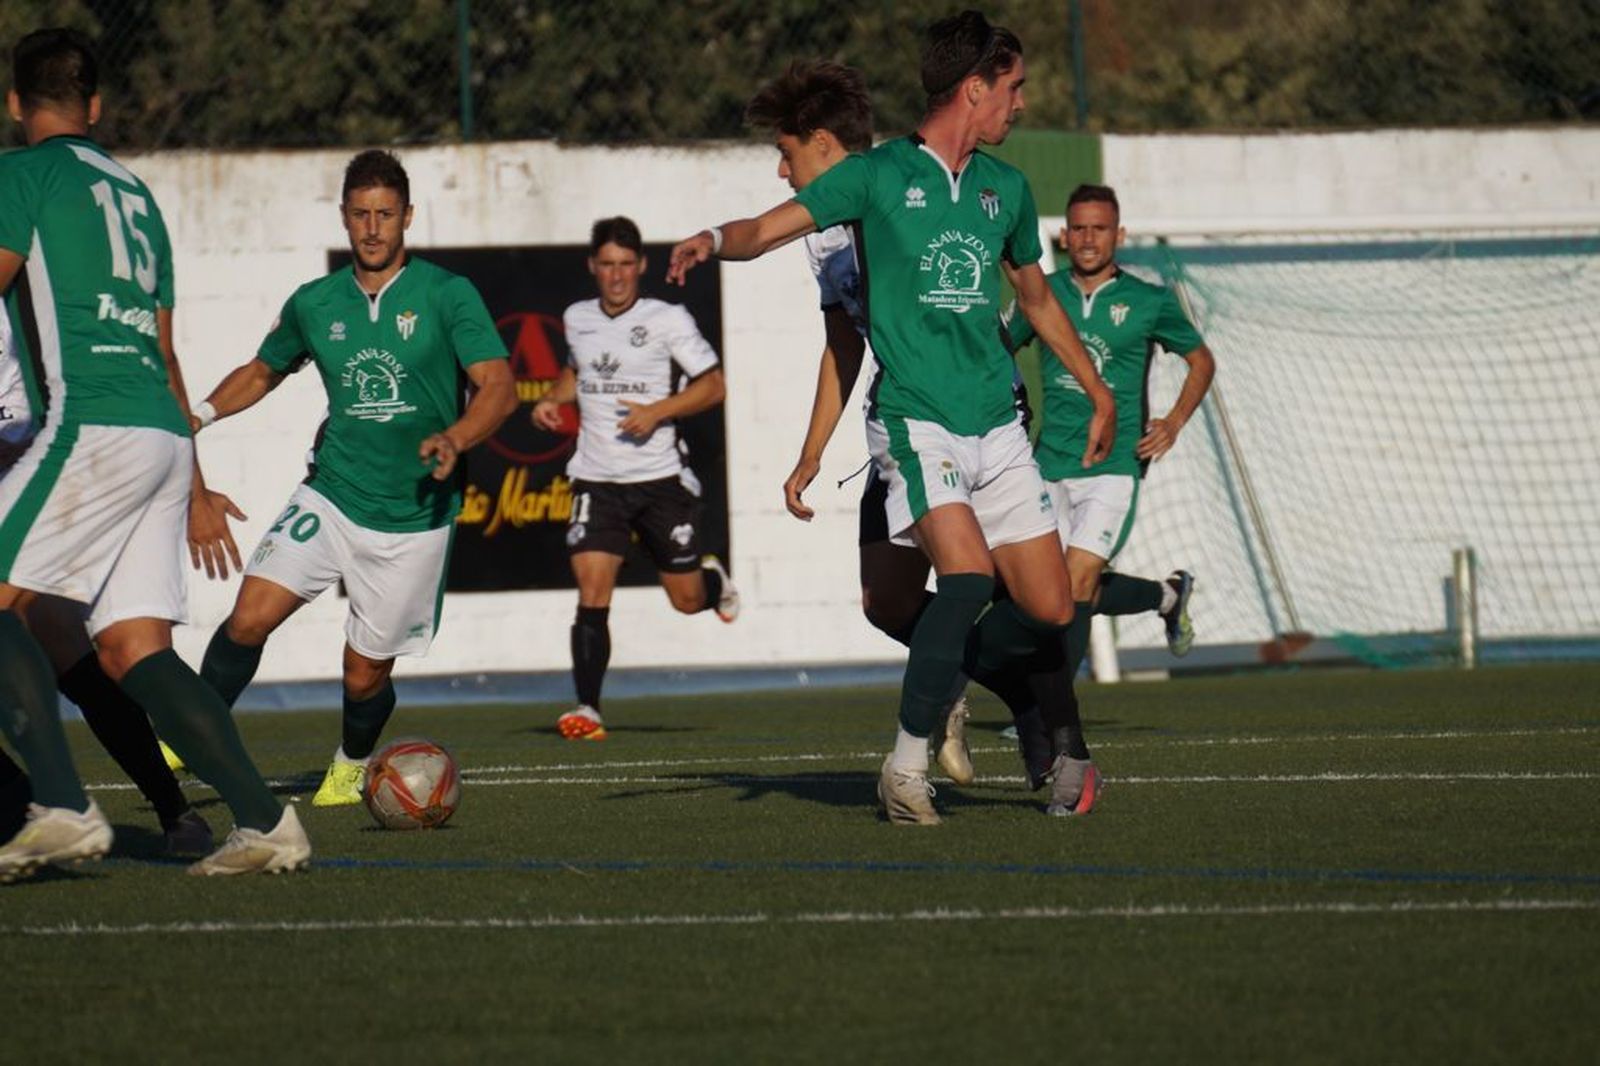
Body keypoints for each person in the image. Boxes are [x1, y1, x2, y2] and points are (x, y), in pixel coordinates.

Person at [670, 11, 1115, 824]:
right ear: (975, 88)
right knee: (942, 585)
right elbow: (768, 237)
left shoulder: (1005, 189)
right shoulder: (874, 180)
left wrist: (1097, 387)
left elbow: (1036, 297)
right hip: (913, 418)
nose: (1021, 104)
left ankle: (1014, 709)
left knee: (1049, 606)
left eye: (786, 150)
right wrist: (709, 239)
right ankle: (911, 765)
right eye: (1013, 88)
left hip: (995, 419)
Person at [0, 28, 305, 880]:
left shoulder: (20, 175)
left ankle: (61, 804)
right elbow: (169, 353)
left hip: (87, 426)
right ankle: (267, 819)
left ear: (16, 103)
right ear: (95, 107)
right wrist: (196, 482)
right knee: (135, 647)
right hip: (164, 435)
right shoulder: (137, 194)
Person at [190, 149, 517, 806]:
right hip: (332, 493)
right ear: (344, 218)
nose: (372, 228)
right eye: (361, 214)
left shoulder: (447, 294)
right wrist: (196, 415)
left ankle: (352, 759)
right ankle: (185, 730)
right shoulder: (316, 303)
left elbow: (500, 388)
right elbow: (263, 370)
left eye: (385, 215)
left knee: (363, 674)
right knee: (250, 615)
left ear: (407, 219)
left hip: (414, 517)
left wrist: (456, 436)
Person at [749, 59, 1043, 787]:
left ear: (821, 143)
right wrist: (810, 452)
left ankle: (1042, 723)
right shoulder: (822, 238)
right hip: (908, 413)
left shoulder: (897, 185)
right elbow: (844, 344)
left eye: (786, 154)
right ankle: (957, 692)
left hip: (978, 409)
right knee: (885, 601)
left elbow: (1018, 294)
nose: (782, 174)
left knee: (993, 588)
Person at [0, 304, 213, 854]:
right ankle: (172, 813)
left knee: (85, 647)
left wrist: (195, 490)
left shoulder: (32, 281)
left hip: (31, 466)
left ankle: (151, 807)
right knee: (77, 649)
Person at [532, 216, 738, 742]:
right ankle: (588, 707)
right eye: (607, 265)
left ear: (641, 266)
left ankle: (714, 580)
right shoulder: (577, 317)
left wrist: (658, 411)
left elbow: (713, 386)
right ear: (592, 267)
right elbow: (578, 369)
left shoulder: (667, 318)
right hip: (596, 480)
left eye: (626, 265)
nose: (617, 276)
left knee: (686, 600)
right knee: (592, 588)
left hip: (660, 480)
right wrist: (554, 400)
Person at [1002, 183, 1214, 687]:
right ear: (1063, 235)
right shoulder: (1043, 295)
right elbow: (994, 350)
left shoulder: (1148, 301)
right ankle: (1167, 596)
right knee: (1048, 592)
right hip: (1048, 461)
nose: (1088, 239)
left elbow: (1201, 360)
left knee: (1075, 584)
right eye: (1078, 228)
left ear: (1119, 234)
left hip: (1114, 466)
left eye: (1099, 228)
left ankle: (1052, 713)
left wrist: (1173, 422)